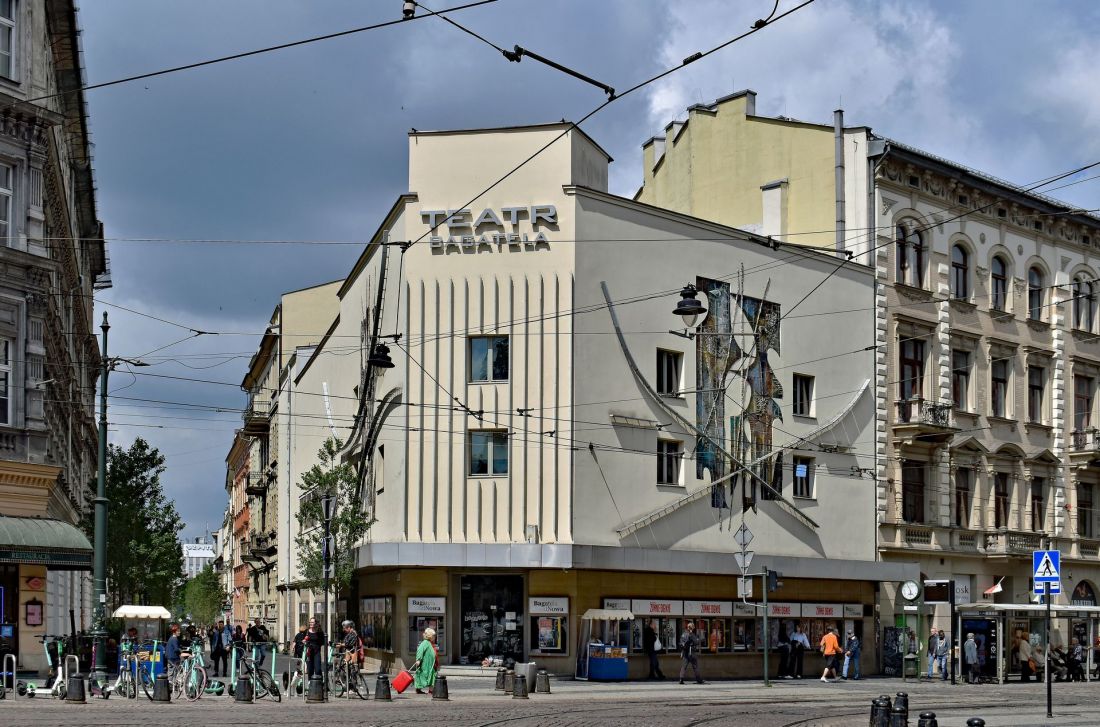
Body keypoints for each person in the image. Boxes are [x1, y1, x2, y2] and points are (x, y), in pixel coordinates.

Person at [412, 626, 437, 694]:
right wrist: (418, 659)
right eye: (433, 636)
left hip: (429, 664)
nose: (434, 637)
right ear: (430, 636)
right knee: (421, 675)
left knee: (431, 676)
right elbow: (420, 651)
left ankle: (430, 690)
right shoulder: (424, 643)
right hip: (425, 664)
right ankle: (418, 688)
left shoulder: (429, 643)